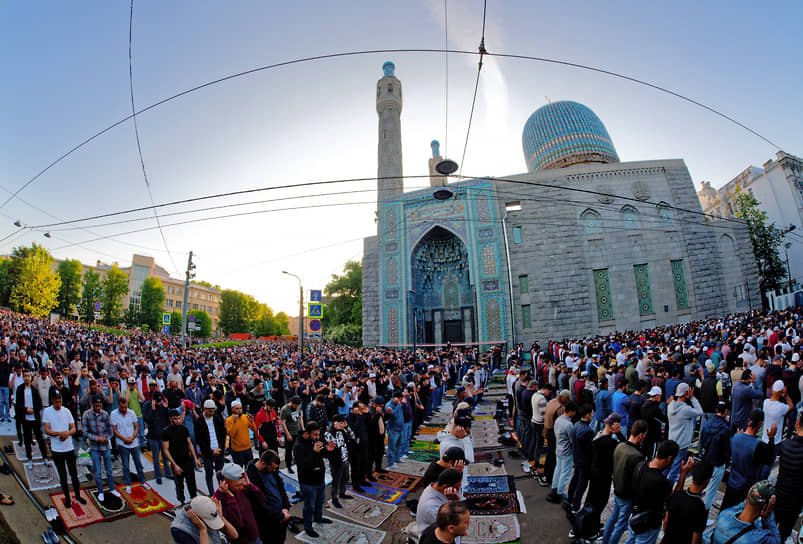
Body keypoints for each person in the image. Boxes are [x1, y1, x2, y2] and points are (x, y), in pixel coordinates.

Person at [625, 440, 687, 544]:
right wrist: (683, 474)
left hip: (634, 517)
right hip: (647, 525)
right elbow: (675, 498)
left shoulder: (640, 466)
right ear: (669, 459)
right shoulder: (661, 481)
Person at [601, 419, 648, 544]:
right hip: (627, 495)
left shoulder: (620, 446)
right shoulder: (637, 456)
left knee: (613, 520)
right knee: (620, 526)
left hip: (617, 490)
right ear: (641, 435)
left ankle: (605, 541)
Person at [721, 409, 776, 510]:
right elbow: (769, 459)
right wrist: (771, 438)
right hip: (745, 488)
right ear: (760, 424)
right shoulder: (758, 446)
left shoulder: (736, 437)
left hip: (731, 484)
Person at [42, 390, 85, 508]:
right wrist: (58, 434)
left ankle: (78, 495)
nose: (58, 403)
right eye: (56, 401)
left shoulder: (66, 411)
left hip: (68, 448)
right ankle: (67, 498)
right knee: (63, 475)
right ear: (52, 400)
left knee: (74, 474)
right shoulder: (47, 411)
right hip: (57, 450)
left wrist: (66, 434)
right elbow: (46, 429)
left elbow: (73, 429)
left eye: (60, 400)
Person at [293, 421, 334, 538]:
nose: (317, 437)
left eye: (318, 434)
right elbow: (302, 465)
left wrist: (328, 450)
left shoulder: (316, 440)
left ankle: (318, 518)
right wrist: (313, 452)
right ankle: (308, 527)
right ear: (307, 433)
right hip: (307, 482)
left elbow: (322, 454)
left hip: (319, 479)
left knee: (320, 501)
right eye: (315, 435)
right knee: (309, 505)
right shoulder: (299, 446)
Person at [710, 480, 781, 544]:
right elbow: (776, 540)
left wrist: (750, 496)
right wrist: (768, 516)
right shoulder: (757, 539)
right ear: (765, 508)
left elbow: (741, 505)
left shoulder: (724, 515)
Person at [662, 459, 713, 544]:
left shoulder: (677, 496)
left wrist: (683, 473)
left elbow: (666, 523)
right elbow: (695, 541)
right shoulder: (700, 509)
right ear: (707, 481)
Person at [212, 463, 266, 544]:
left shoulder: (243, 488)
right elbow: (237, 522)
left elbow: (262, 500)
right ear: (225, 482)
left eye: (242, 483)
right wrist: (231, 498)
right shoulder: (218, 499)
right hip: (240, 540)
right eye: (238, 485)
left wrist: (250, 485)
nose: (241, 487)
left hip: (254, 535)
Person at [246, 450, 291, 544]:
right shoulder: (251, 478)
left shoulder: (272, 471)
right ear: (263, 463)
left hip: (281, 516)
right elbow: (260, 504)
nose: (274, 470)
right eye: (272, 468)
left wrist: (285, 507)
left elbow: (281, 489)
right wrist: (280, 515)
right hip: (267, 522)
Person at [773, 409, 803, 541]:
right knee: (783, 534)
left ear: (797, 424)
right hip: (794, 503)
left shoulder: (785, 445)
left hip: (778, 496)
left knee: (769, 529)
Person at [82, 395, 118, 501]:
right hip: (94, 447)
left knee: (109, 470)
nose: (98, 408)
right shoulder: (86, 415)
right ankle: (101, 491)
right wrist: (97, 438)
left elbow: (111, 431)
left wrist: (105, 438)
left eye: (100, 406)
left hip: (106, 447)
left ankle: (112, 489)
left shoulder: (105, 414)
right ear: (93, 405)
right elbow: (85, 432)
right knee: (97, 472)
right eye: (96, 406)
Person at [163, 407, 202, 506]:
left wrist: (195, 458)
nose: (178, 420)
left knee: (192, 482)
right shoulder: (166, 432)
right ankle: (182, 502)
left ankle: (195, 501)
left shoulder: (184, 428)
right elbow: (166, 449)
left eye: (179, 418)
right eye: (175, 418)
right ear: (170, 419)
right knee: (179, 485)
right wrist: (174, 464)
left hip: (187, 460)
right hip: (177, 461)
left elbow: (190, 443)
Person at [666, 382, 703, 484]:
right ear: (686, 393)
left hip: (672, 440)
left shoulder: (670, 406)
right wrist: (692, 398)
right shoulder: (685, 410)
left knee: (667, 466)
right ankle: (668, 492)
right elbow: (700, 412)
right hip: (682, 444)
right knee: (675, 471)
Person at [699, 401, 731, 511]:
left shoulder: (708, 423)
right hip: (718, 462)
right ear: (726, 412)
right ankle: (704, 513)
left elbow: (702, 440)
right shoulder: (725, 429)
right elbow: (727, 449)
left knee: (701, 485)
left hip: (706, 458)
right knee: (712, 491)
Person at [110, 396, 146, 493]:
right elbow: (114, 429)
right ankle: (128, 484)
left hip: (133, 443)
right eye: (122, 407)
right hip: (123, 444)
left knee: (138, 463)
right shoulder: (114, 414)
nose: (124, 409)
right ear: (119, 405)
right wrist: (124, 439)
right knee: (125, 465)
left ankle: (143, 481)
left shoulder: (132, 413)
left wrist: (132, 438)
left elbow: (137, 427)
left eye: (125, 407)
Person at [15, 369, 49, 468]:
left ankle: (45, 457)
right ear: (23, 377)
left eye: (28, 376)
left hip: (35, 418)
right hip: (25, 419)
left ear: (31, 377)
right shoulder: (20, 389)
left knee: (40, 439)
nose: (27, 378)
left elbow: (39, 404)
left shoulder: (34, 390)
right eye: (25, 376)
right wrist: (26, 410)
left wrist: (34, 410)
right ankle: (29, 458)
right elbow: (18, 404)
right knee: (27, 439)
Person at [170, 495, 239, 544]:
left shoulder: (207, 509)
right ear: (197, 516)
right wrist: (203, 530)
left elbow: (234, 535)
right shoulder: (179, 529)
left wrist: (220, 517)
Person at [416, 469, 463, 536]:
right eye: (457, 487)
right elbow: (452, 525)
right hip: (432, 538)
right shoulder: (431, 507)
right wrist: (457, 502)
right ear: (445, 487)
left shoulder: (434, 486)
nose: (458, 490)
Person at [194, 399, 227, 495]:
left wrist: (220, 448)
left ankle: (222, 491)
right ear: (204, 409)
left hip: (219, 450)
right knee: (209, 474)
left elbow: (222, 434)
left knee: (220, 473)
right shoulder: (199, 421)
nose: (212, 413)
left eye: (213, 411)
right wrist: (211, 451)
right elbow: (199, 440)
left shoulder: (217, 418)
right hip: (208, 453)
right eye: (210, 411)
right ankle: (212, 493)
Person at [547, 400, 577, 503]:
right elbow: (573, 441)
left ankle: (555, 488)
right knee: (565, 473)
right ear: (572, 411)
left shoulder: (558, 420)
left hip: (558, 449)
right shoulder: (569, 425)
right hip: (567, 452)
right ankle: (559, 492)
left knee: (558, 470)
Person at [323, 414, 355, 508]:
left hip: (345, 458)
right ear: (335, 423)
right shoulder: (328, 433)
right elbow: (336, 445)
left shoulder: (342, 430)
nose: (342, 425)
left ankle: (342, 493)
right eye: (341, 423)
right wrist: (340, 432)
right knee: (336, 481)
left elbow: (352, 436)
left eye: (343, 423)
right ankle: (334, 498)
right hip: (336, 461)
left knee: (345, 477)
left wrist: (347, 427)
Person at [567, 403, 594, 512]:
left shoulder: (576, 424)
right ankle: (576, 506)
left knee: (575, 479)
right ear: (587, 415)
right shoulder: (588, 431)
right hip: (584, 461)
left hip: (577, 458)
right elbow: (590, 450)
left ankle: (570, 499)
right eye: (591, 414)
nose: (592, 415)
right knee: (581, 484)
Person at [143, 390, 173, 484]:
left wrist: (166, 408)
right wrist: (152, 409)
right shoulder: (148, 406)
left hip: (163, 435)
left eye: (160, 401)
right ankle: (158, 475)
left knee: (165, 456)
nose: (159, 403)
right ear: (153, 400)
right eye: (157, 401)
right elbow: (147, 419)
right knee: (155, 457)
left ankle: (168, 473)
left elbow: (169, 420)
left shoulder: (163, 406)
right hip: (153, 436)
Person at [225, 399, 257, 467]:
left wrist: (251, 422)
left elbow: (254, 429)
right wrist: (234, 422)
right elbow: (231, 434)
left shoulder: (245, 417)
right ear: (232, 409)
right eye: (237, 408)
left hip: (248, 448)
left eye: (240, 408)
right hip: (237, 450)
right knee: (239, 471)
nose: (239, 410)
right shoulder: (229, 420)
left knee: (249, 468)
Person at [279, 396, 303, 472]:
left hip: (297, 431)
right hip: (290, 432)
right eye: (295, 405)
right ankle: (289, 466)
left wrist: (302, 428)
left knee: (298, 449)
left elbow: (300, 417)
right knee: (289, 451)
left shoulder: (298, 408)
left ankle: (297, 462)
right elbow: (283, 422)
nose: (296, 407)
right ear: (292, 403)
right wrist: (287, 434)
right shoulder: (285, 409)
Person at [385, 390, 405, 467]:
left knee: (400, 444)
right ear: (395, 398)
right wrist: (398, 405)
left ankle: (397, 459)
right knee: (392, 447)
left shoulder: (399, 403)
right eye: (399, 399)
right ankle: (390, 463)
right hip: (393, 429)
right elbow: (392, 414)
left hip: (400, 428)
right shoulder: (389, 405)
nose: (400, 401)